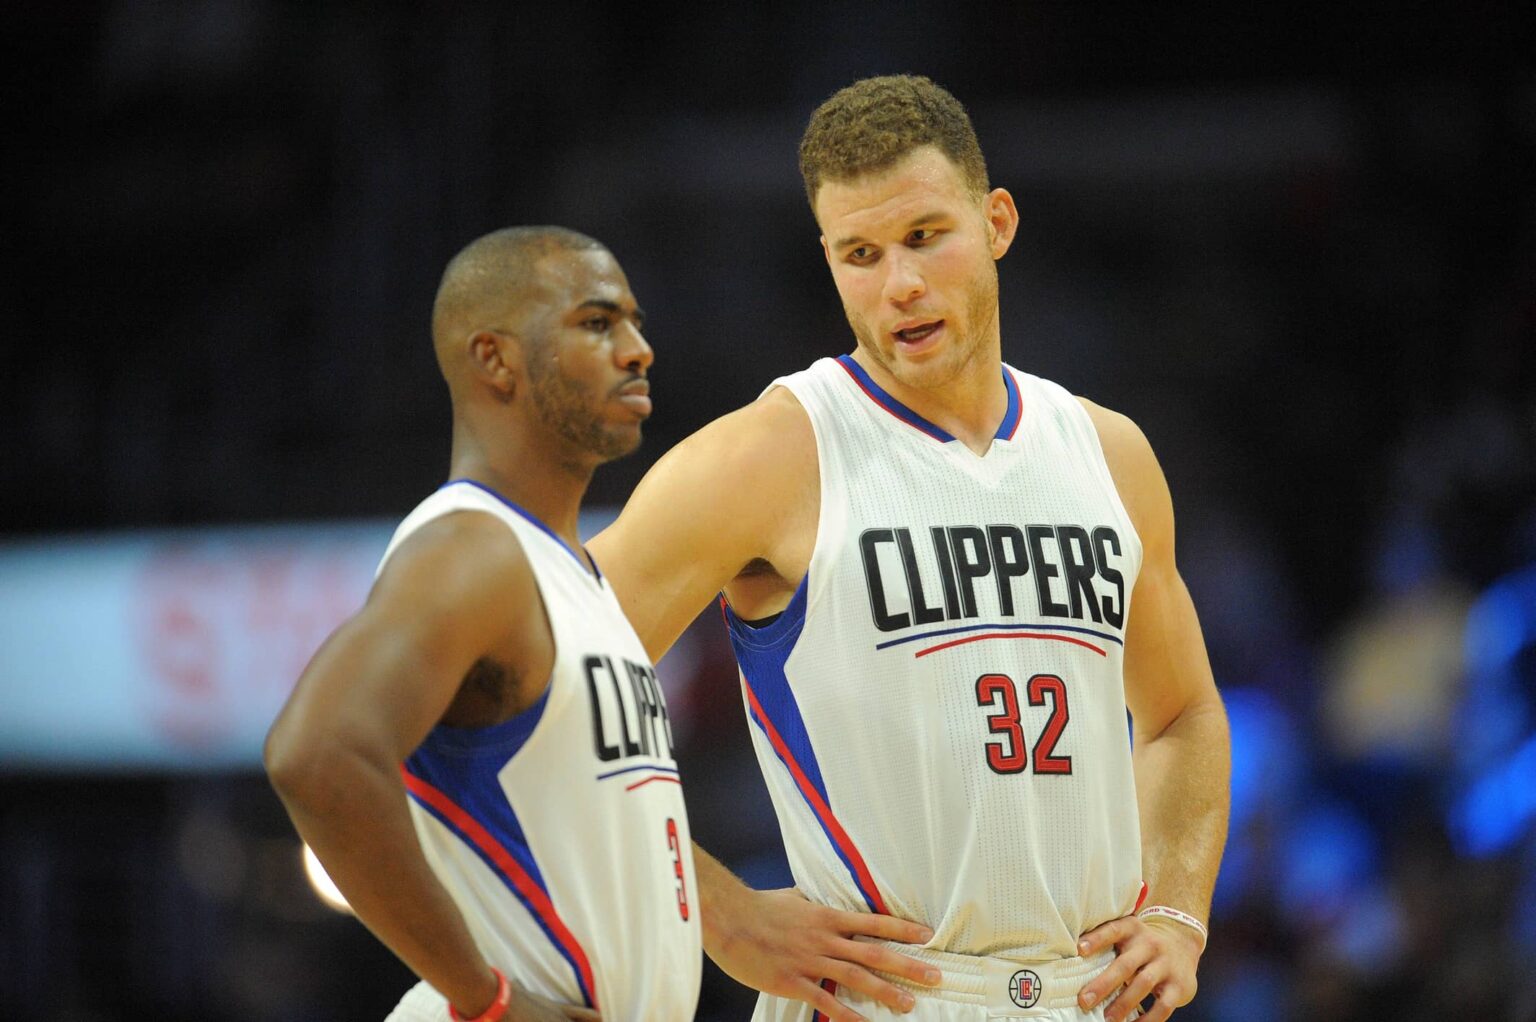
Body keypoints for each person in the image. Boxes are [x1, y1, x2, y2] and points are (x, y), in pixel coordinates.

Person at [587, 76, 1229, 1022]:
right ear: (829, 261)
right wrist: (718, 914)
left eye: (926, 236)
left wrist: (1176, 912)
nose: (900, 284)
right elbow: (537, 691)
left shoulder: (1111, 454)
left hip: (1083, 997)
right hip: (880, 998)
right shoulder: (768, 456)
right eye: (860, 253)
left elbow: (1180, 714)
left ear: (998, 221)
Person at [265, 226, 700, 1022]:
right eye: (598, 323)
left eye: (635, 323)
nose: (638, 349)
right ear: (494, 359)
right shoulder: (473, 549)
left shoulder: (573, 572)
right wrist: (484, 998)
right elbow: (317, 754)